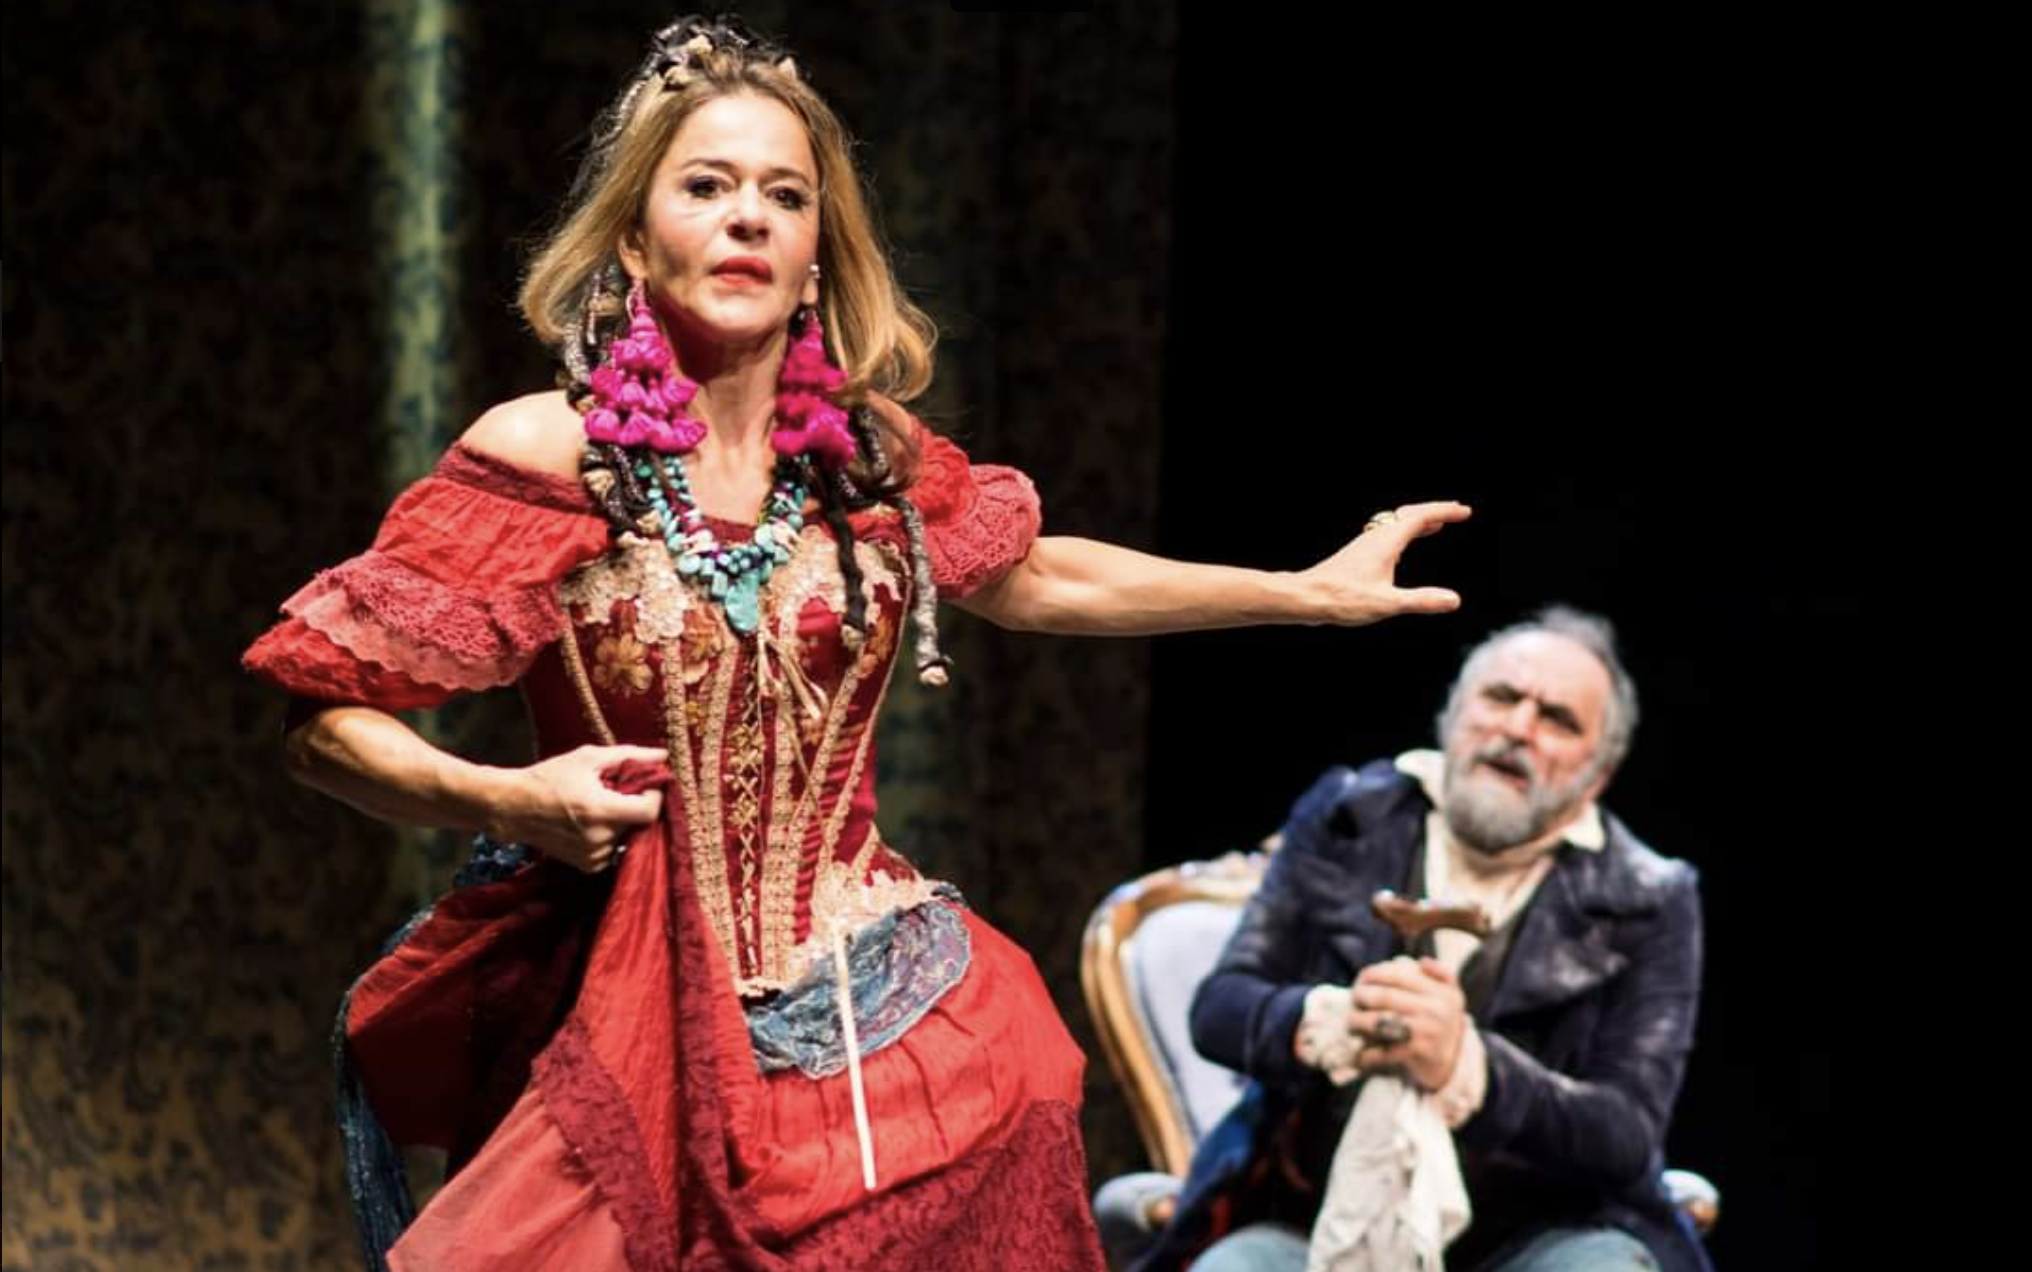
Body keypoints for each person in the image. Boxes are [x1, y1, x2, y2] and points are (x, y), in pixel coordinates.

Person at [240, 16, 1469, 1271]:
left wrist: (1302, 593)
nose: (748, 218)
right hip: (624, 991)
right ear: (633, 241)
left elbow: (1038, 579)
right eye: (706, 187)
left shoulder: (863, 454)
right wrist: (503, 797)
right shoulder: (551, 455)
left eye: (785, 196)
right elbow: (322, 720)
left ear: (816, 254)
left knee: (1021, 1083)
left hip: (859, 996)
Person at [1131, 606, 1708, 1272]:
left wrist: (1470, 1069)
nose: (1518, 728)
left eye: (1557, 719)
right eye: (1501, 697)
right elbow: (1221, 1010)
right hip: (1312, 1220)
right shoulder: (1345, 819)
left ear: (1597, 775)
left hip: (1540, 1237)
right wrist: (1334, 1019)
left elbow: (1627, 1133)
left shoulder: (1648, 896)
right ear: (1453, 714)